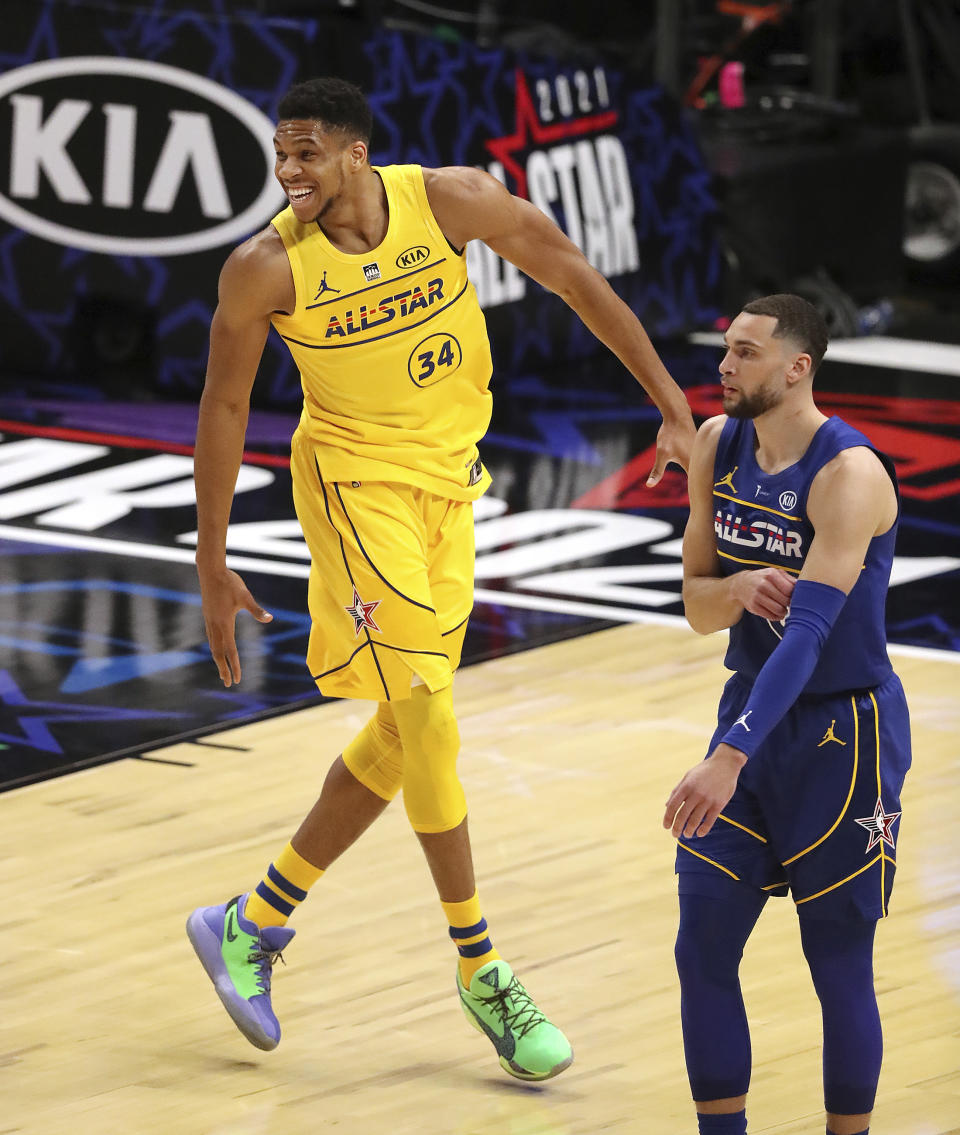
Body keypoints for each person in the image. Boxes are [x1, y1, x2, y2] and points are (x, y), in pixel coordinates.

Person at [187, 76, 695, 1081]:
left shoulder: (451, 201)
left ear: (357, 155)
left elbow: (571, 275)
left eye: (308, 154)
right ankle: (482, 964)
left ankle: (250, 920)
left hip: (450, 486)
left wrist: (671, 403)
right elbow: (223, 408)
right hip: (352, 488)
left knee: (402, 733)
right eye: (280, 155)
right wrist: (212, 559)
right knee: (426, 713)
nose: (289, 172)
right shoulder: (263, 270)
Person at [663, 294, 911, 1135]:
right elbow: (697, 606)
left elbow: (808, 635)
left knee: (836, 964)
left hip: (843, 734)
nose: (724, 366)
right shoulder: (714, 443)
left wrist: (727, 755)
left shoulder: (851, 473)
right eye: (725, 349)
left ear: (797, 367)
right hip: (750, 717)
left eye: (744, 352)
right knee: (701, 949)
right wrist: (731, 589)